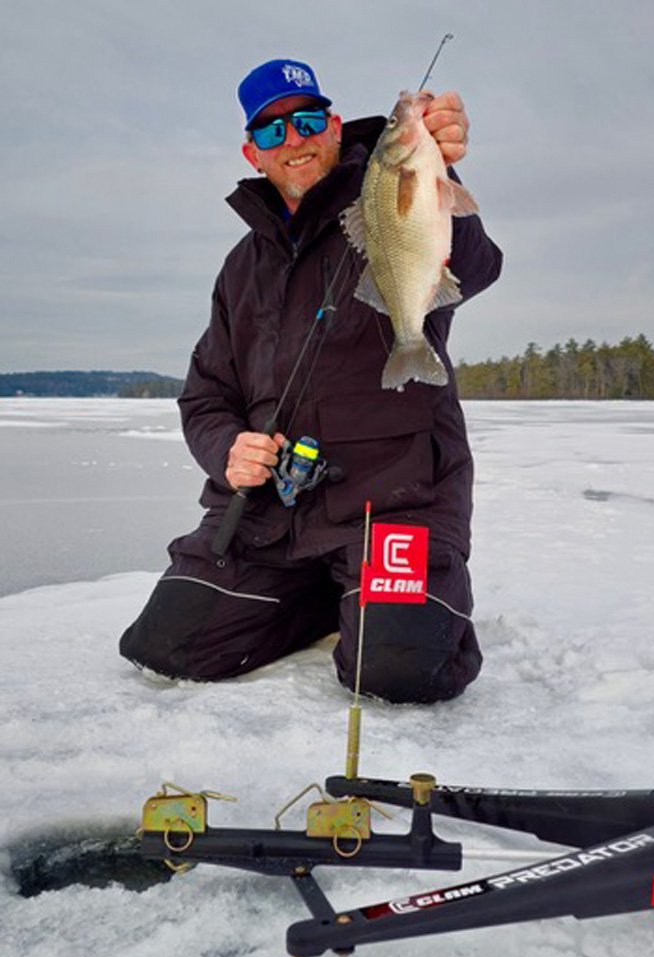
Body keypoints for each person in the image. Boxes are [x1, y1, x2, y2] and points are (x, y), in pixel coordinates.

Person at [119, 59, 502, 703]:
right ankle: (334, 599)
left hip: (395, 503)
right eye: (272, 132)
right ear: (253, 152)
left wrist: (439, 163)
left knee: (399, 673)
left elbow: (474, 264)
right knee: (166, 649)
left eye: (306, 120)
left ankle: (378, 605)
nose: (293, 139)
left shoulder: (385, 199)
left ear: (332, 125)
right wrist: (228, 451)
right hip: (271, 519)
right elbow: (207, 395)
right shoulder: (242, 268)